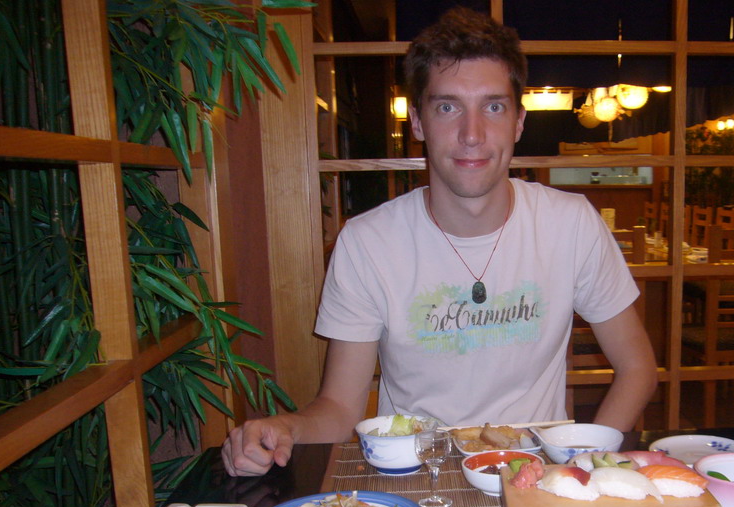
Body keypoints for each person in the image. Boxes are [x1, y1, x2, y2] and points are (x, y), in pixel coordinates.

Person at [222, 7, 657, 477]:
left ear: (518, 122)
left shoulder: (571, 224)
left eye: (493, 107)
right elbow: (340, 407)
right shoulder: (367, 242)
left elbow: (637, 368)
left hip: (535, 482)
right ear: (417, 123)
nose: (472, 134)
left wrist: (582, 470)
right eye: (448, 107)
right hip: (415, 480)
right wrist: (286, 428)